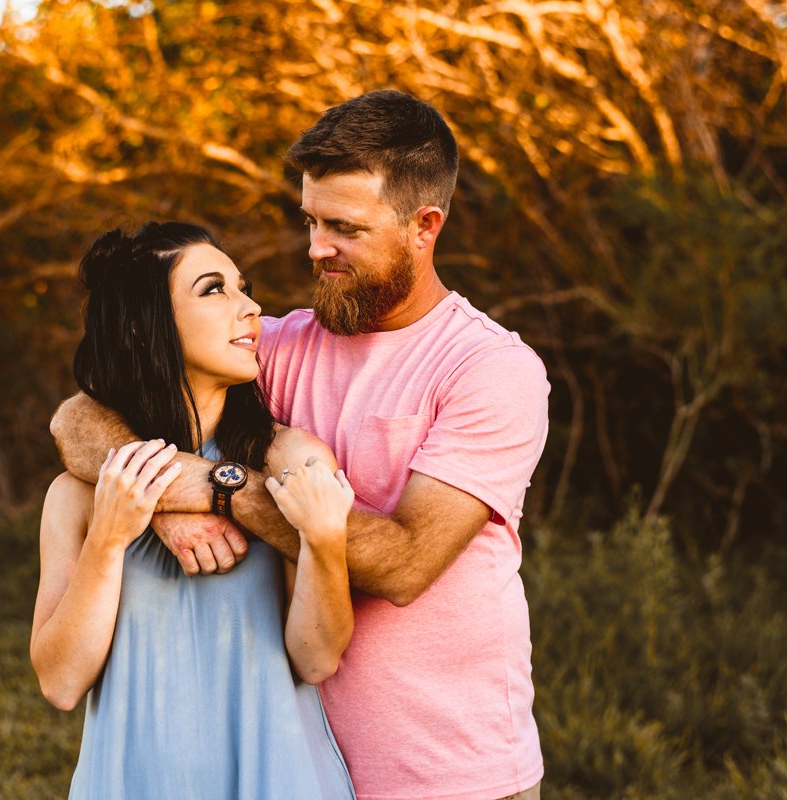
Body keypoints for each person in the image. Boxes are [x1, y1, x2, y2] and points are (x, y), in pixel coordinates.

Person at [52, 91, 551, 800]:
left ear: (424, 226)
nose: (316, 247)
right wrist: (163, 496)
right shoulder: (272, 349)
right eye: (311, 220)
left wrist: (215, 488)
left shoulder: (490, 370)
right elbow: (79, 416)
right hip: (291, 766)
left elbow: (407, 564)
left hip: (448, 772)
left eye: (343, 227)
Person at [30, 222, 358, 799]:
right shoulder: (78, 496)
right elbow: (60, 682)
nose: (250, 307)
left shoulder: (290, 462)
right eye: (214, 289)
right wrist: (110, 538)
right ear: (141, 326)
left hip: (273, 778)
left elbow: (316, 659)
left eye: (243, 286)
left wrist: (326, 543)